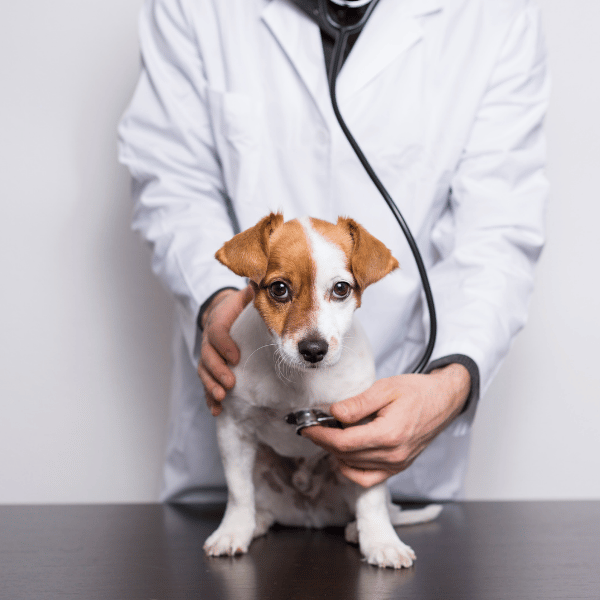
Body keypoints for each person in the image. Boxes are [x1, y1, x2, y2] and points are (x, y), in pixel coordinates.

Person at [118, 0, 549, 502]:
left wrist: (450, 381)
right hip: (244, 443)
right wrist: (215, 300)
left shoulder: (496, 15)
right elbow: (172, 182)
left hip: (397, 437)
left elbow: (497, 227)